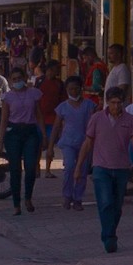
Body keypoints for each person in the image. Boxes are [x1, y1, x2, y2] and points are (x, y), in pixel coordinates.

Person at [77, 87, 133, 255]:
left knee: (117, 206)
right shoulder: (96, 118)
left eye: (119, 103)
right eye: (113, 103)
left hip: (121, 168)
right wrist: (79, 168)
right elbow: (88, 143)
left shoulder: (130, 120)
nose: (116, 106)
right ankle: (109, 237)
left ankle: (109, 233)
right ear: (107, 102)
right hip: (101, 167)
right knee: (105, 203)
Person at [0, 66, 45, 215]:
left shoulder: (33, 94)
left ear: (25, 78)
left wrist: (44, 135)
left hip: (30, 131)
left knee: (30, 168)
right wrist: (0, 141)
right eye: (14, 79)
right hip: (14, 133)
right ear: (11, 81)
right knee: (15, 169)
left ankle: (28, 197)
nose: (17, 81)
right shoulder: (8, 97)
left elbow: (38, 115)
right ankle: (16, 204)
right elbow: (4, 120)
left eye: (20, 78)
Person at [49, 76, 96, 211]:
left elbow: (93, 126)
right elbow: (56, 127)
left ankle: (78, 198)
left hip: (85, 142)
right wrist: (51, 147)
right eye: (70, 89)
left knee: (82, 170)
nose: (73, 92)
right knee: (69, 168)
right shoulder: (62, 107)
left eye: (76, 88)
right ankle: (67, 195)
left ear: (81, 89)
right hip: (68, 142)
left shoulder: (89, 105)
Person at [36, 59, 66, 177]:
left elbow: (63, 100)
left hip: (54, 119)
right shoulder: (39, 82)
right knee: (37, 145)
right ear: (50, 69)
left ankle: (47, 169)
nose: (58, 71)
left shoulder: (59, 84)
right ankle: (37, 168)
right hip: (40, 118)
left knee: (50, 145)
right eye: (56, 69)